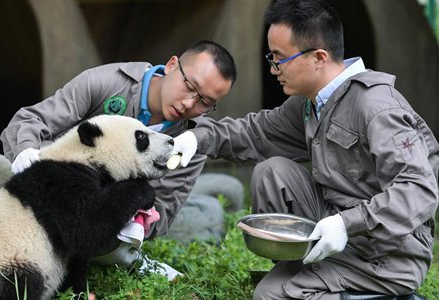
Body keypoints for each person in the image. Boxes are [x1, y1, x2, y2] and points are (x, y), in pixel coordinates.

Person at [172, 1, 439, 299]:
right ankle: (310, 272)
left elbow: (420, 189)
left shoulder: (375, 106)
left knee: (270, 295)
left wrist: (346, 224)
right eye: (271, 57)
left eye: (280, 58)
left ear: (319, 58)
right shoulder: (312, 104)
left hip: (386, 255)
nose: (274, 70)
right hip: (336, 234)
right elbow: (256, 133)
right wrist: (199, 139)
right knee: (272, 172)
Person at [0, 40, 237, 280]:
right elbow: (29, 121)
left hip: (108, 217)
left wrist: (130, 219)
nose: (189, 103)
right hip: (57, 187)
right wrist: (26, 154)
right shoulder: (105, 82)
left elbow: (164, 208)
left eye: (205, 102)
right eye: (189, 86)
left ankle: (119, 256)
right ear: (172, 65)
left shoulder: (192, 140)